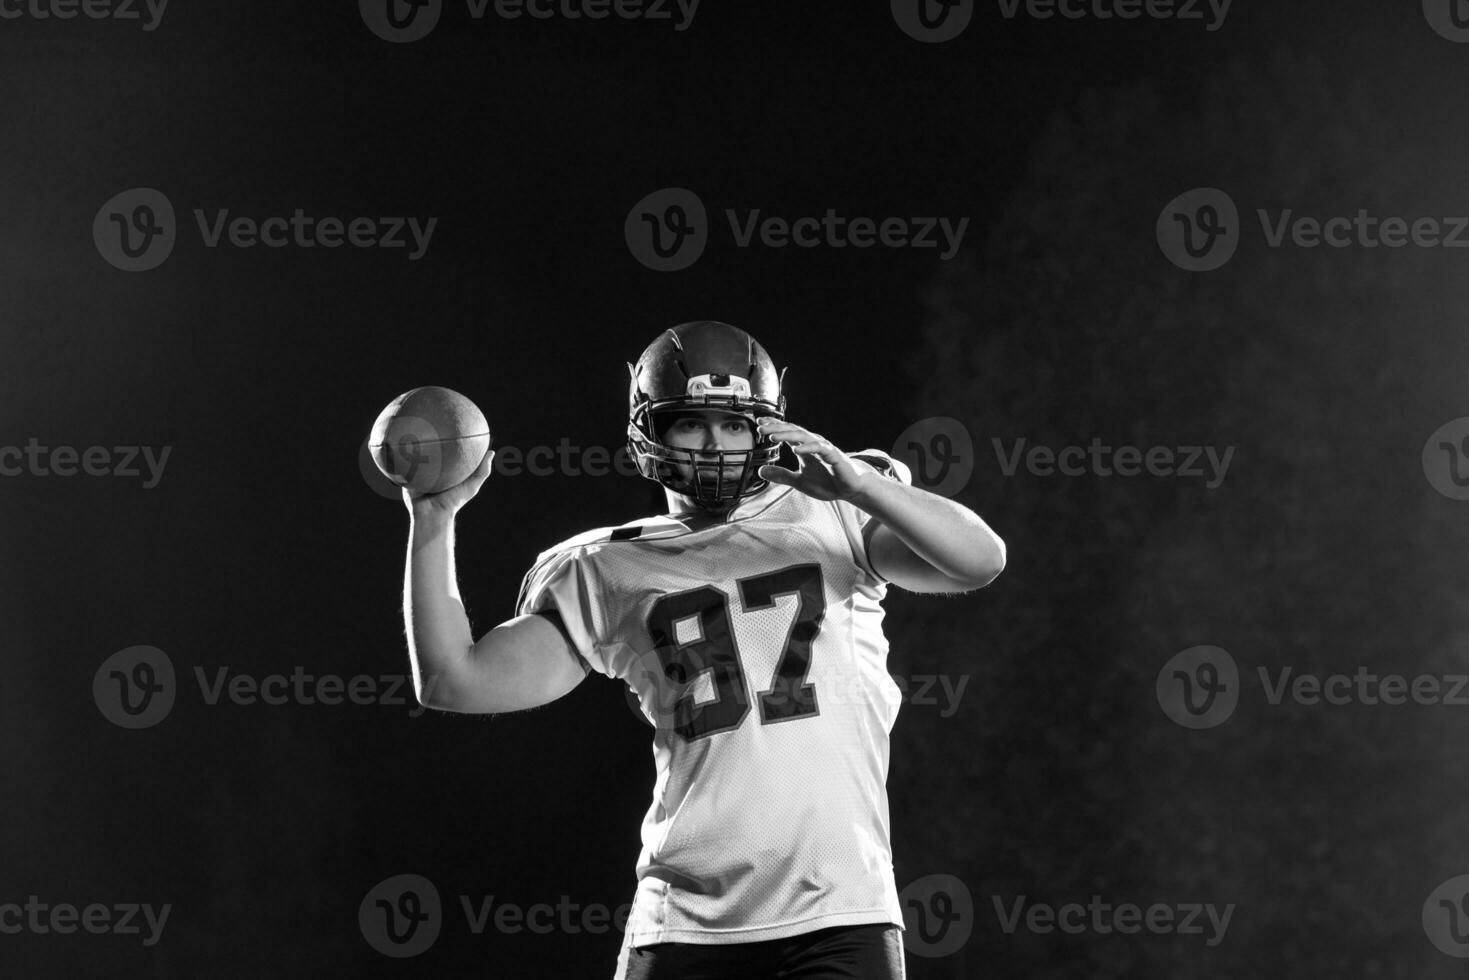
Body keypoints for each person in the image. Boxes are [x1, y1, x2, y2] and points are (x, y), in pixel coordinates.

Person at [402, 321, 1005, 979]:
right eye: (690, 423)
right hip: (684, 923)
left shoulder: (833, 509)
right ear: (651, 433)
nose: (715, 443)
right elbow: (453, 681)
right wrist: (433, 522)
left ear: (766, 428)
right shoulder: (606, 566)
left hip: (840, 917)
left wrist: (860, 486)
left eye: (734, 423)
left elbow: (979, 561)